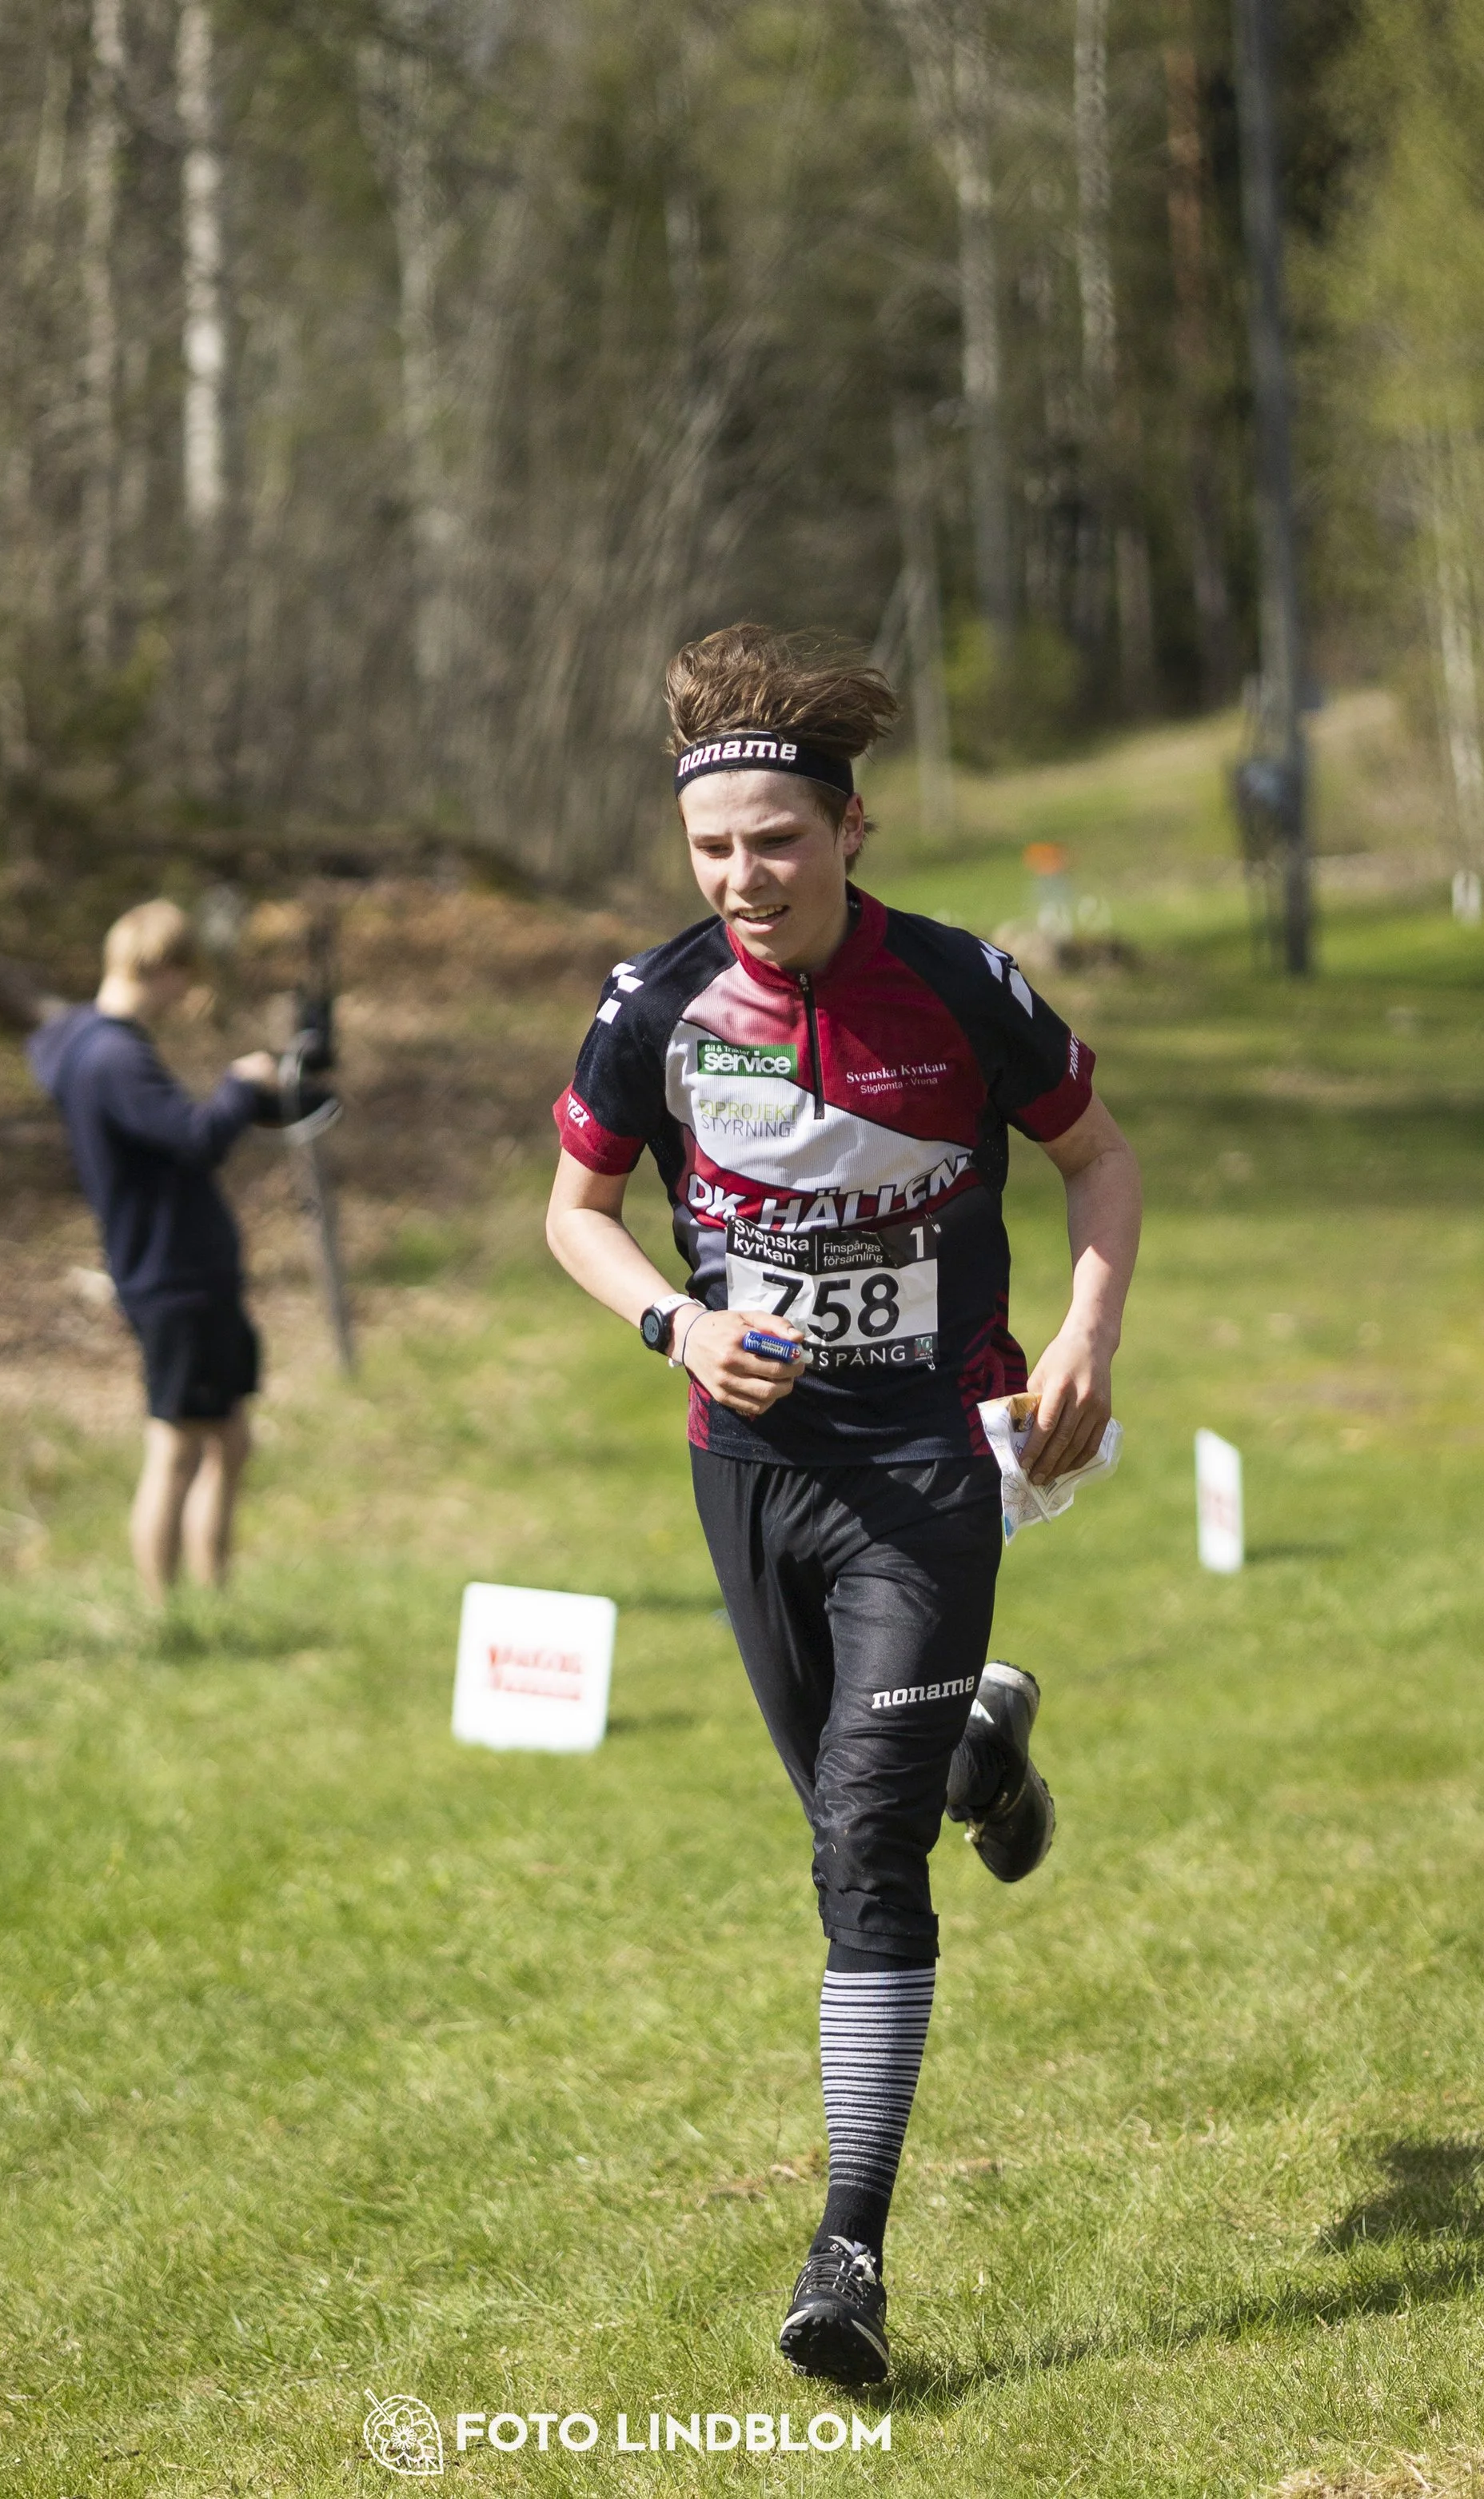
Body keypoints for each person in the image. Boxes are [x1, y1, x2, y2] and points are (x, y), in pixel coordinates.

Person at [545, 625, 1141, 2385]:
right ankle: (981, 1738)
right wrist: (678, 1317)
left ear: (850, 830)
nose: (744, 876)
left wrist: (1086, 1340)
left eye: (777, 842)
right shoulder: (649, 1003)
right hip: (748, 1469)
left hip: (927, 1462)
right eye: (715, 847)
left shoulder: (962, 985)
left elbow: (1096, 1156)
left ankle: (846, 2257)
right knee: (849, 1795)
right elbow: (569, 1211)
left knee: (856, 1851)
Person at [29, 899, 281, 1603]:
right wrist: (243, 1086)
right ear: (159, 967)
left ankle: (211, 1598)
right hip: (173, 1273)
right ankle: (164, 1609)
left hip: (176, 1266)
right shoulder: (112, 1056)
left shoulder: (83, 1039)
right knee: (176, 1448)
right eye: (184, 975)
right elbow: (196, 1138)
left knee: (227, 1441)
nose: (186, 993)